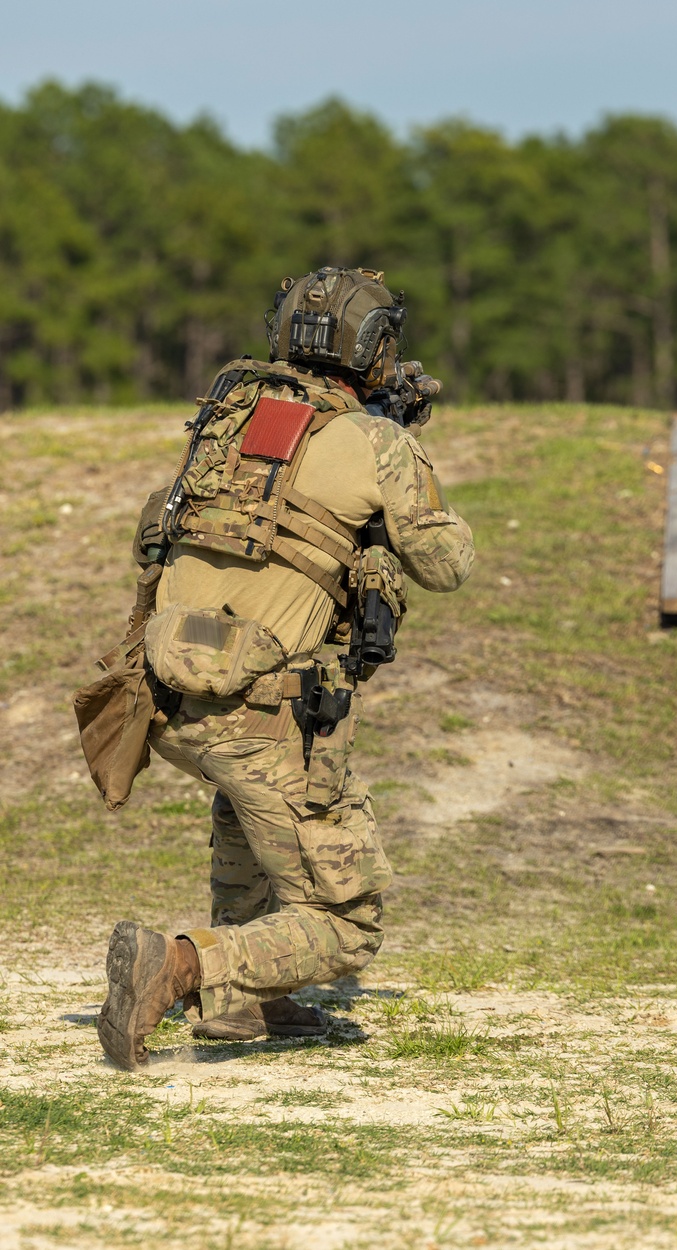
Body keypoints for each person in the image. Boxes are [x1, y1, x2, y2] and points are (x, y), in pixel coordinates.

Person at [97, 266, 475, 1070]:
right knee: (348, 921)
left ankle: (242, 1004)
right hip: (259, 706)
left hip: (169, 697)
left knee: (246, 810)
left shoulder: (229, 417)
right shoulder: (375, 439)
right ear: (373, 347)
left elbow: (151, 535)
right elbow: (446, 562)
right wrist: (402, 449)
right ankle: (185, 966)